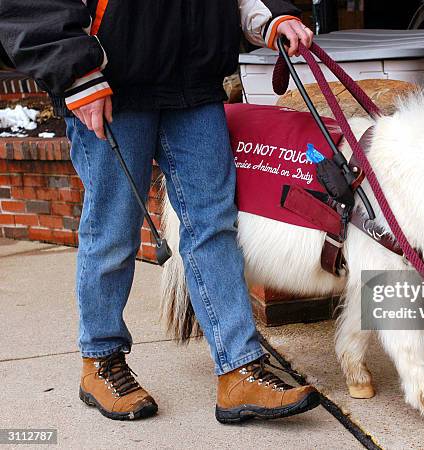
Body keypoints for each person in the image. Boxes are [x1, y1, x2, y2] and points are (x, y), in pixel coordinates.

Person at [0, 0, 317, 422]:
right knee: (113, 230)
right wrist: (74, 67)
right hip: (108, 85)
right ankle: (101, 360)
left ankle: (240, 368)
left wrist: (271, 16)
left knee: (215, 226)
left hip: (194, 86)